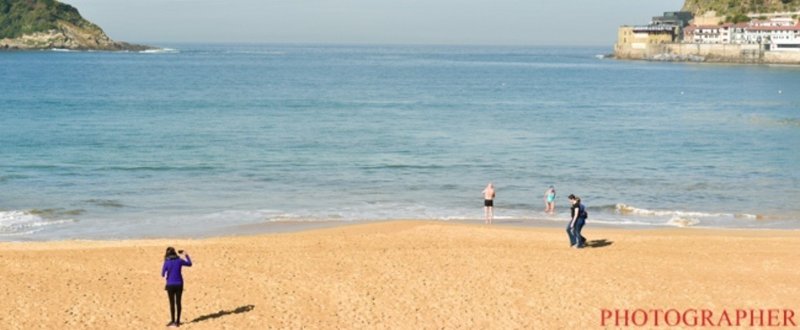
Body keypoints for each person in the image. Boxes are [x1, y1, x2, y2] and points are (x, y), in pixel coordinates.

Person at [162, 247, 192, 327]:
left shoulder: (166, 262)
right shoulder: (179, 260)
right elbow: (189, 263)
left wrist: (167, 272)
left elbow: (162, 274)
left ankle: (172, 321)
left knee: (172, 303)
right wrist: (186, 254)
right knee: (178, 302)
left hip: (170, 285)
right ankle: (178, 321)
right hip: (179, 284)